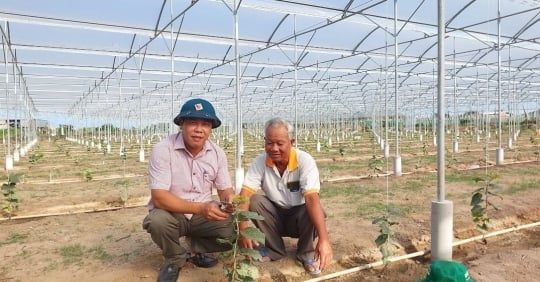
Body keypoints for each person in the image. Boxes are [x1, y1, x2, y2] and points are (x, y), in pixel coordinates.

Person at [142, 98, 235, 282]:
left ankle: (197, 249)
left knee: (233, 229)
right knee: (157, 221)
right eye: (193, 123)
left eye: (205, 124)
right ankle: (174, 258)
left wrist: (229, 201)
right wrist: (201, 208)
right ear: (181, 124)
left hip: (202, 215)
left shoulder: (216, 153)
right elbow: (159, 198)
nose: (199, 129)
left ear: (210, 129)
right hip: (173, 212)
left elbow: (225, 189)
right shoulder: (163, 150)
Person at [238, 117, 333, 275]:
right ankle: (274, 250)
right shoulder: (260, 162)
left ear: (292, 142)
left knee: (313, 209)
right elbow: (244, 195)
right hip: (275, 216)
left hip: (299, 218)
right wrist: (243, 231)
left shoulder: (304, 161)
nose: (274, 148)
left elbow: (311, 198)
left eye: (280, 143)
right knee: (255, 201)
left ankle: (306, 253)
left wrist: (324, 240)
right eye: (269, 143)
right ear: (265, 141)